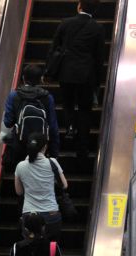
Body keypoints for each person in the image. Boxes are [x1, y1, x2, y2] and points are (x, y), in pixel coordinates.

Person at [46, 0, 105, 156]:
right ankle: (82, 147)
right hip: (87, 75)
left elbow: (54, 47)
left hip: (66, 72)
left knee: (68, 103)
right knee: (85, 109)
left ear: (79, 6)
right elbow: (99, 57)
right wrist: (98, 79)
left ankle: (70, 126)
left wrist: (50, 70)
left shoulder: (65, 23)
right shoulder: (98, 28)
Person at [2, 63, 60, 159]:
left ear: (23, 78)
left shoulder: (14, 95)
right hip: (40, 147)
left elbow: (7, 123)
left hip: (19, 145)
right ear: (40, 79)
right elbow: (53, 127)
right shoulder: (47, 98)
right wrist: (54, 154)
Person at [15, 135, 66, 243]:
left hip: (29, 215)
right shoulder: (52, 162)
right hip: (51, 214)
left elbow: (19, 191)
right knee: (51, 248)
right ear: (45, 147)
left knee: (30, 247)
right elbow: (64, 185)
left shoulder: (20, 166)